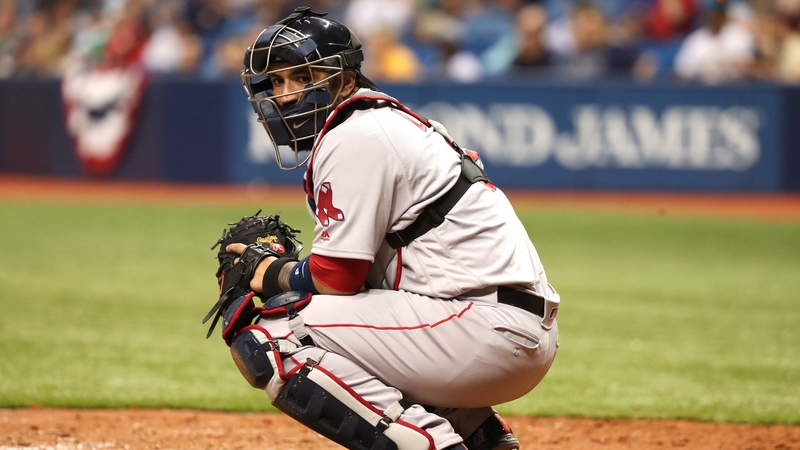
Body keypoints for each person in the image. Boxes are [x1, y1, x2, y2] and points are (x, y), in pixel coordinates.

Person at [225, 6, 560, 450]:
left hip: (483, 329)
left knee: (278, 336)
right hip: (496, 325)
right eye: (277, 82)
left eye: (303, 78)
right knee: (326, 315)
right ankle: (478, 434)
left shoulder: (356, 134)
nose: (286, 96)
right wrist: (289, 274)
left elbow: (336, 277)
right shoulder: (377, 122)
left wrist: (267, 271)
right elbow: (353, 283)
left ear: (345, 80)